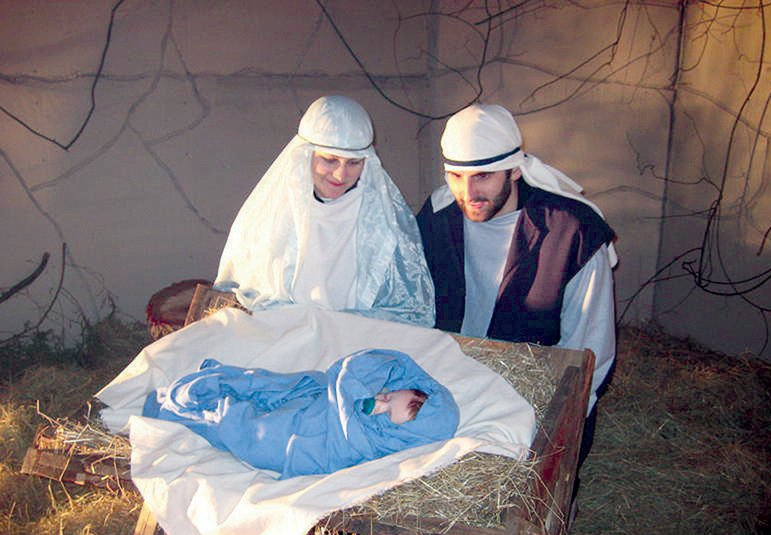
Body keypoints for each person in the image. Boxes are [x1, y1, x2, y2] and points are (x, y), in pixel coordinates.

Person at [416, 103, 617, 468]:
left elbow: (591, 352)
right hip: (455, 383)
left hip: (533, 396)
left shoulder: (572, 231)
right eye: (456, 176)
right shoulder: (438, 217)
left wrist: (557, 437)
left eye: (483, 176)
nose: (468, 192)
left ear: (513, 170)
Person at [214, 95, 434, 327]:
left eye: (354, 163)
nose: (340, 175)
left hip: (357, 343)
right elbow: (244, 299)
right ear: (305, 155)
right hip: (280, 337)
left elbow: (407, 309)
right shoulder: (267, 219)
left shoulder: (384, 223)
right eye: (330, 160)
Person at [142, 348, 459, 479]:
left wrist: (360, 414)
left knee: (248, 428)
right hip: (316, 399)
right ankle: (214, 389)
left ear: (396, 435)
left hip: (304, 437)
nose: (378, 403)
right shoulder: (370, 396)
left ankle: (184, 410)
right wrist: (358, 396)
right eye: (387, 395)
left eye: (386, 411)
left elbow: (335, 447)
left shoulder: (367, 444)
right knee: (270, 384)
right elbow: (355, 370)